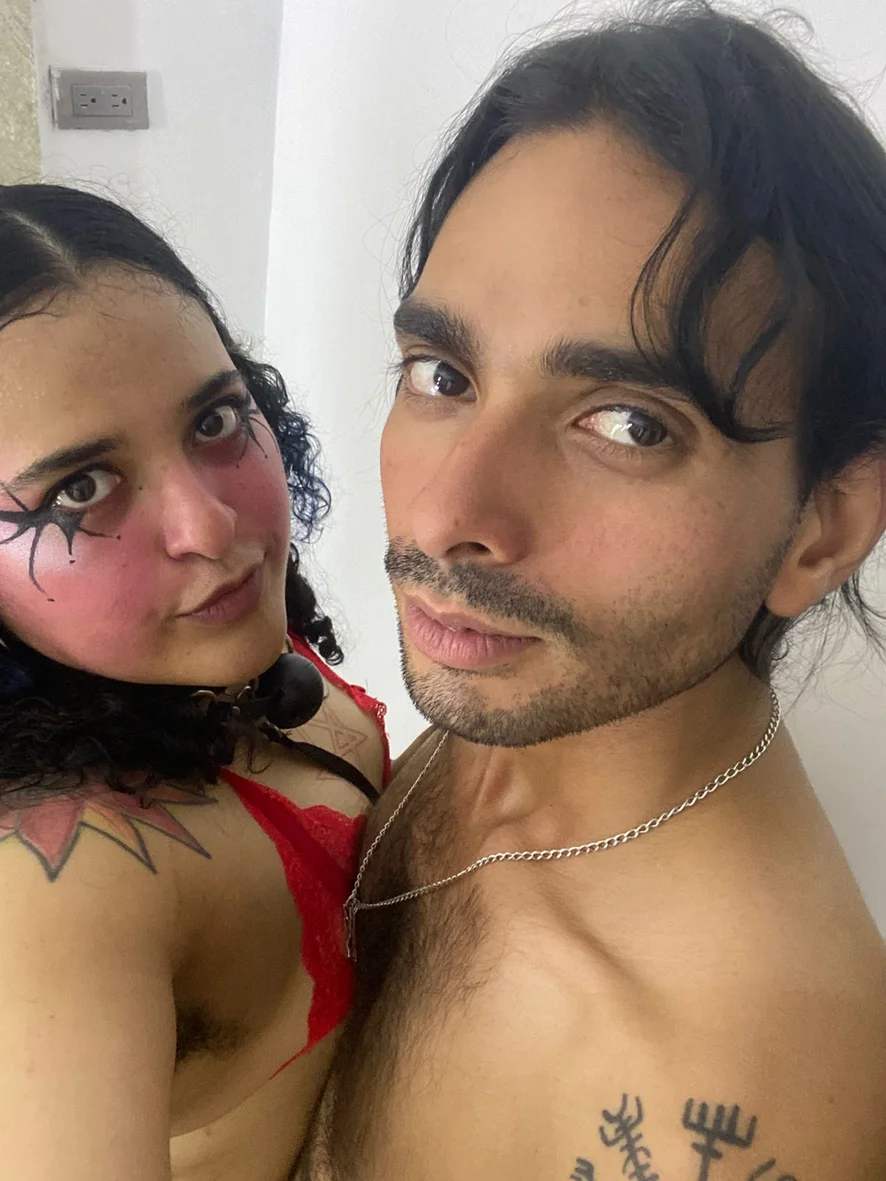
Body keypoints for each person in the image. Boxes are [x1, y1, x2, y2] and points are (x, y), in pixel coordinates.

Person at [300, 4, 886, 1178]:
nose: (449, 517)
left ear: (821, 528)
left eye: (627, 424)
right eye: (442, 373)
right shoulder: (508, 720)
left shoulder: (717, 1085)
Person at [0, 184, 388, 1180]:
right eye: (81, 487)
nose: (210, 527)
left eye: (215, 419)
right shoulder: (59, 892)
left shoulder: (221, 658)